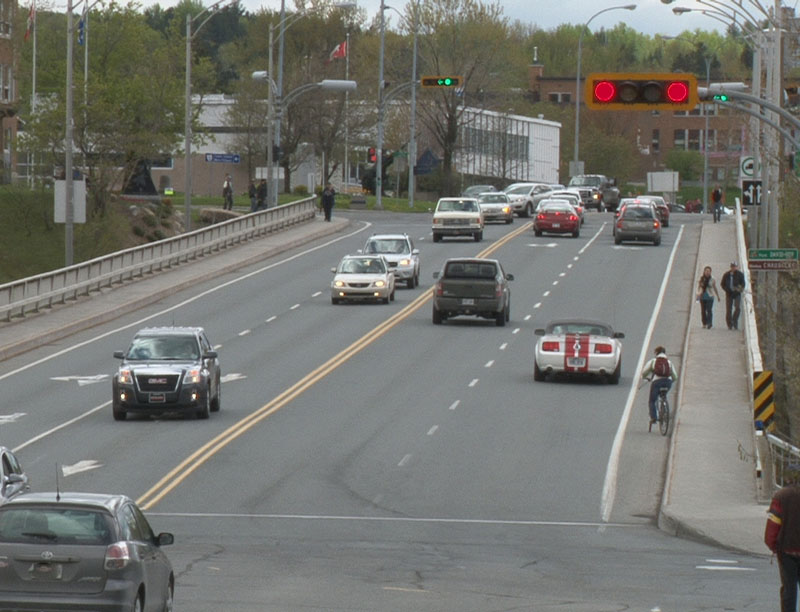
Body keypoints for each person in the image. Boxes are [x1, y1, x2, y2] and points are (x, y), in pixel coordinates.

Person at [765, 475, 800, 611]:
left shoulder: (781, 496)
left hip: (786, 550)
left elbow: (773, 523)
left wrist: (772, 544)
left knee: (789, 590)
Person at [640, 345, 679, 427]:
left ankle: (654, 417)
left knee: (652, 400)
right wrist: (670, 381)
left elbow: (644, 372)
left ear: (656, 353)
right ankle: (664, 406)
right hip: (667, 382)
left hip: (657, 382)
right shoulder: (669, 362)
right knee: (663, 394)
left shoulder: (653, 361)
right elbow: (675, 376)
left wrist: (645, 378)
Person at [720, 261, 746, 330]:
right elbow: (722, 284)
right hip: (729, 293)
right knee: (729, 309)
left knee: (737, 308)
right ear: (730, 267)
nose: (733, 268)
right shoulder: (726, 275)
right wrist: (726, 289)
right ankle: (729, 324)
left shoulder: (740, 275)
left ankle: (735, 320)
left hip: (737, 293)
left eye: (735, 266)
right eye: (732, 266)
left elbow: (743, 284)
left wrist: (738, 290)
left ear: (737, 267)